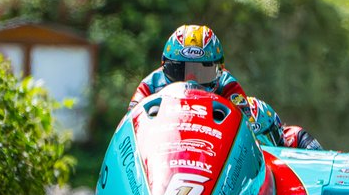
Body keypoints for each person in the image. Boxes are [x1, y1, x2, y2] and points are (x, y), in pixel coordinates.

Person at [130, 24, 323, 149]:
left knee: (260, 115)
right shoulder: (150, 85)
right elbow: (129, 130)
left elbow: (245, 122)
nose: (190, 82)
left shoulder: (228, 84)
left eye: (202, 72)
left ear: (219, 70)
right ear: (165, 65)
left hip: (214, 149)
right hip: (166, 148)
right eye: (180, 71)